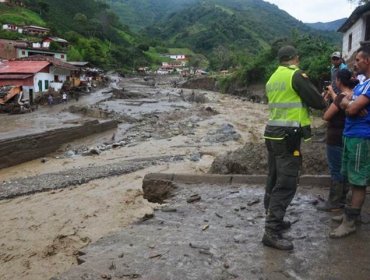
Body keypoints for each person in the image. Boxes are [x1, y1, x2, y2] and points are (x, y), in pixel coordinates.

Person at [262, 45, 326, 250]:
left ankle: (274, 219)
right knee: (287, 181)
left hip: (272, 133)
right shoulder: (296, 75)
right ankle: (271, 231)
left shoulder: (272, 78)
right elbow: (317, 102)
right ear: (295, 58)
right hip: (289, 136)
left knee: (273, 177)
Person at [329, 45, 370, 238]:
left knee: (358, 180)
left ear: (367, 61)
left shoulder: (368, 85)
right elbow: (347, 103)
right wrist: (350, 103)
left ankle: (350, 221)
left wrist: (350, 104)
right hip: (351, 135)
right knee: (351, 177)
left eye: (358, 60)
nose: (355, 63)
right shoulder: (362, 85)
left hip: (361, 138)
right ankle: (350, 212)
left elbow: (350, 109)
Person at [317, 69, 359, 211]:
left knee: (336, 170)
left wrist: (327, 98)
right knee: (345, 169)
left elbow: (327, 116)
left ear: (339, 81)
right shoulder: (354, 95)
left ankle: (334, 203)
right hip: (347, 136)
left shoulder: (341, 96)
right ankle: (342, 200)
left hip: (335, 138)